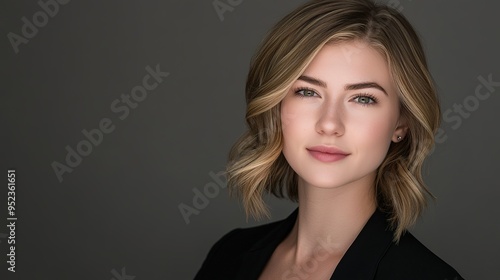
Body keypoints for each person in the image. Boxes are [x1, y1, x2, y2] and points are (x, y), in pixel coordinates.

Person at [195, 0, 464, 279]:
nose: (329, 124)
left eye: (363, 99)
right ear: (275, 105)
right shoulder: (228, 255)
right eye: (308, 92)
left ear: (401, 123)